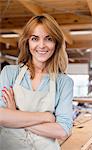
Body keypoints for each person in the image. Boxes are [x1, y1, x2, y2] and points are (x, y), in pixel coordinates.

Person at [0, 14, 73, 150]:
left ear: (56, 43)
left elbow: (62, 131)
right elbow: (1, 116)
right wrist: (45, 117)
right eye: (35, 38)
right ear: (27, 42)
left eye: (48, 39)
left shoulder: (64, 82)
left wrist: (14, 114)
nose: (41, 45)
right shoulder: (9, 73)